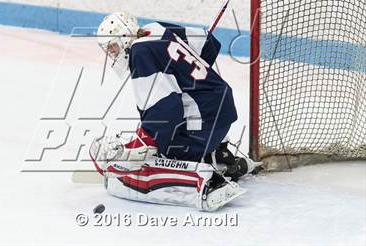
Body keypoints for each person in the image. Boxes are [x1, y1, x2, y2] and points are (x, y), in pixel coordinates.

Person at [90, 12, 259, 211]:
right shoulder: (155, 29)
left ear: (125, 37)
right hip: (220, 108)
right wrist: (188, 76)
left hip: (204, 122)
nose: (113, 54)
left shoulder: (139, 53)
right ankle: (220, 157)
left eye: (113, 47)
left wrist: (143, 145)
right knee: (172, 129)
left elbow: (165, 111)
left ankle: (208, 182)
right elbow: (207, 44)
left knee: (164, 153)